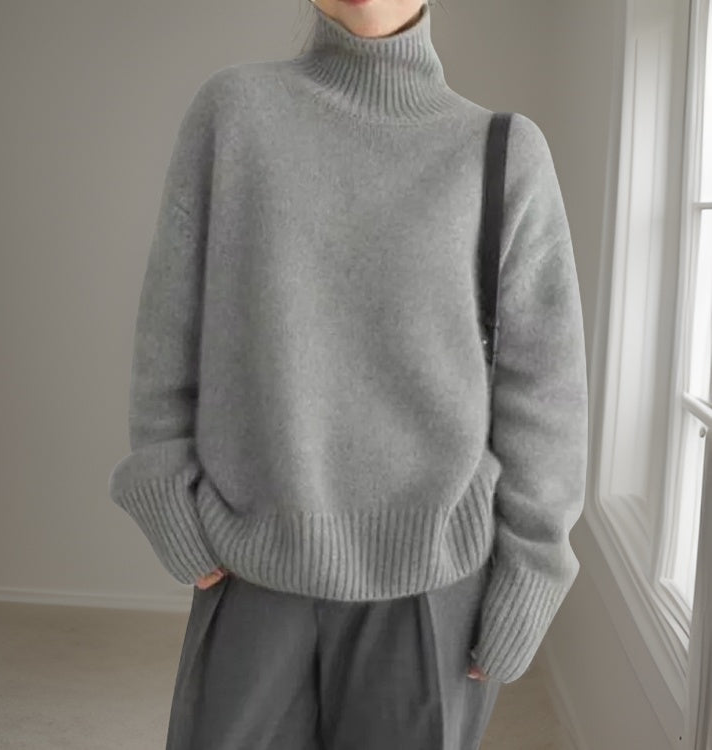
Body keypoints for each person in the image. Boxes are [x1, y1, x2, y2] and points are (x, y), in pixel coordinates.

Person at [107, 0, 589, 747]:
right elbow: (170, 327)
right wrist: (165, 493)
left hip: (434, 590)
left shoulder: (502, 151)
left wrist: (531, 576)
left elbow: (545, 389)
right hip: (251, 567)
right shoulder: (233, 115)